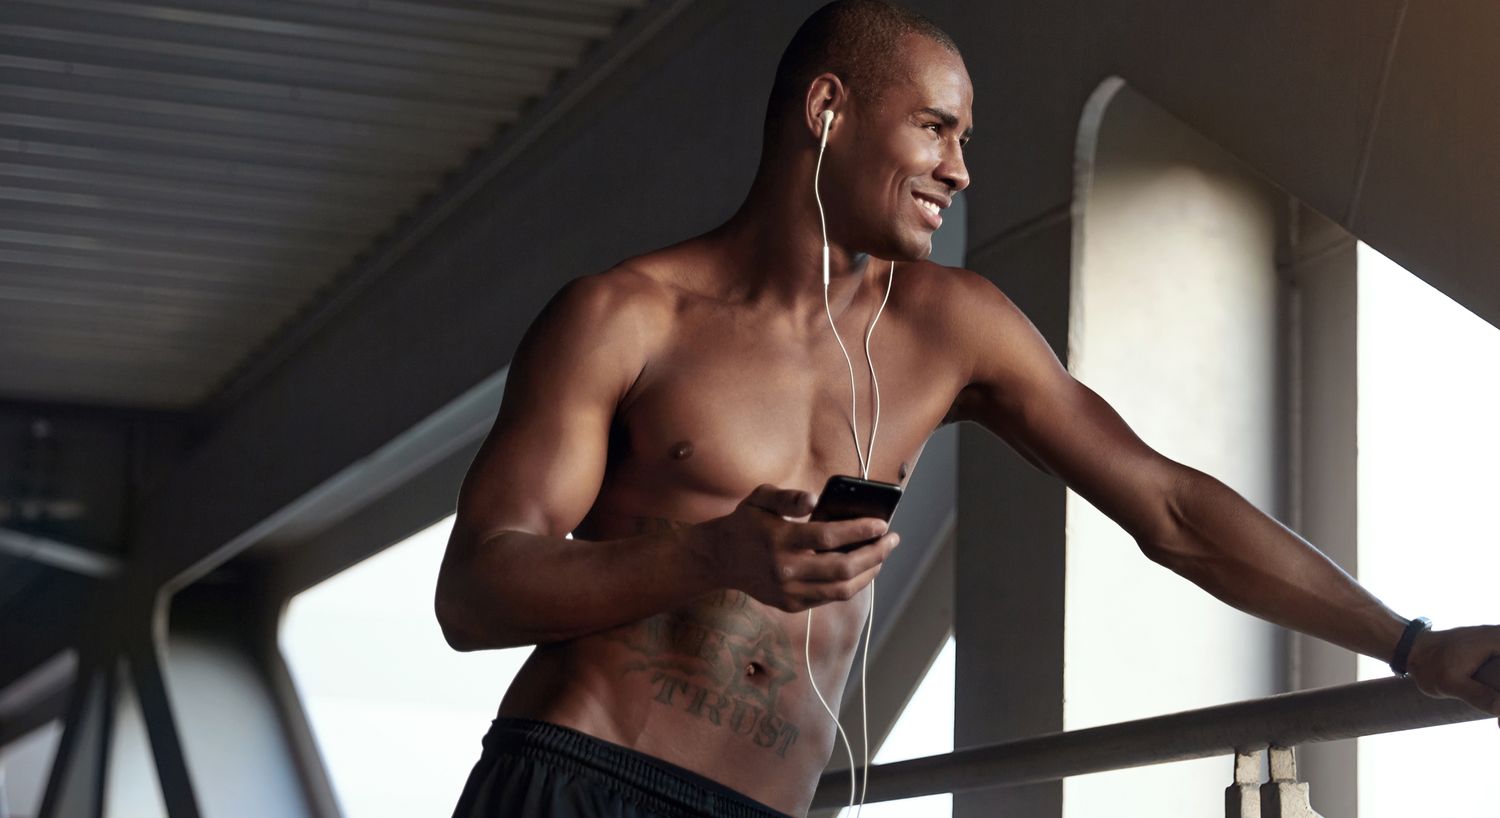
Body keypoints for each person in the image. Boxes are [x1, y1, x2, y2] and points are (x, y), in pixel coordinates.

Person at [435, 2, 1500, 816]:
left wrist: (1407, 643)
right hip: (574, 774)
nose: (960, 168)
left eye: (966, 138)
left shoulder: (956, 326)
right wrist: (711, 555)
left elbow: (1167, 505)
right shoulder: (627, 317)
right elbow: (476, 591)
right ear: (827, 109)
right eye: (937, 128)